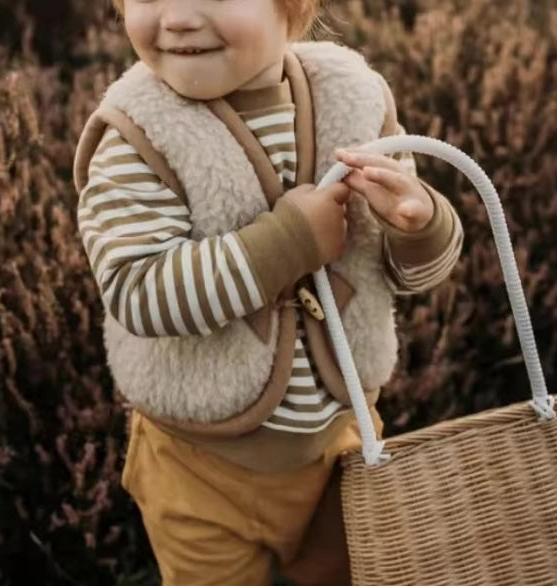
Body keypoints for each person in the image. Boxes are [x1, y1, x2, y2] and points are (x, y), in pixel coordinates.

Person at [73, 0, 463, 583]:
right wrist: (285, 244)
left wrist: (420, 225)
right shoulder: (136, 136)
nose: (176, 18)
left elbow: (401, 275)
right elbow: (137, 292)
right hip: (198, 471)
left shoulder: (351, 99)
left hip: (344, 447)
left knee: (359, 574)